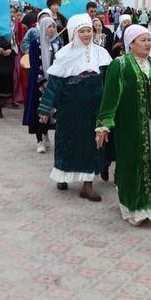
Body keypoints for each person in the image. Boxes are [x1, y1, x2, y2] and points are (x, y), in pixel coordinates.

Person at [95, 25, 151, 224]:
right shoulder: (120, 65)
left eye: (149, 40)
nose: (148, 44)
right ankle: (135, 206)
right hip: (131, 126)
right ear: (131, 43)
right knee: (133, 164)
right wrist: (104, 124)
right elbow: (110, 97)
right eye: (143, 40)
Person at [39, 14, 112, 201]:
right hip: (70, 109)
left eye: (89, 30)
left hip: (94, 109)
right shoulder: (64, 55)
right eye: (82, 31)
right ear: (73, 33)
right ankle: (62, 175)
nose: (87, 34)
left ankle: (87, 185)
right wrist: (45, 109)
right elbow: (54, 84)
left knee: (91, 144)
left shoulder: (101, 53)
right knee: (68, 143)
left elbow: (109, 81)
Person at [24, 14, 60, 152]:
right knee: (38, 110)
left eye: (53, 26)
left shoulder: (58, 43)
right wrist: (42, 81)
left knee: (54, 111)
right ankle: (39, 140)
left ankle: (46, 134)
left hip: (54, 83)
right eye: (48, 27)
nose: (51, 29)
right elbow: (34, 64)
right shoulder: (36, 43)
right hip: (39, 83)